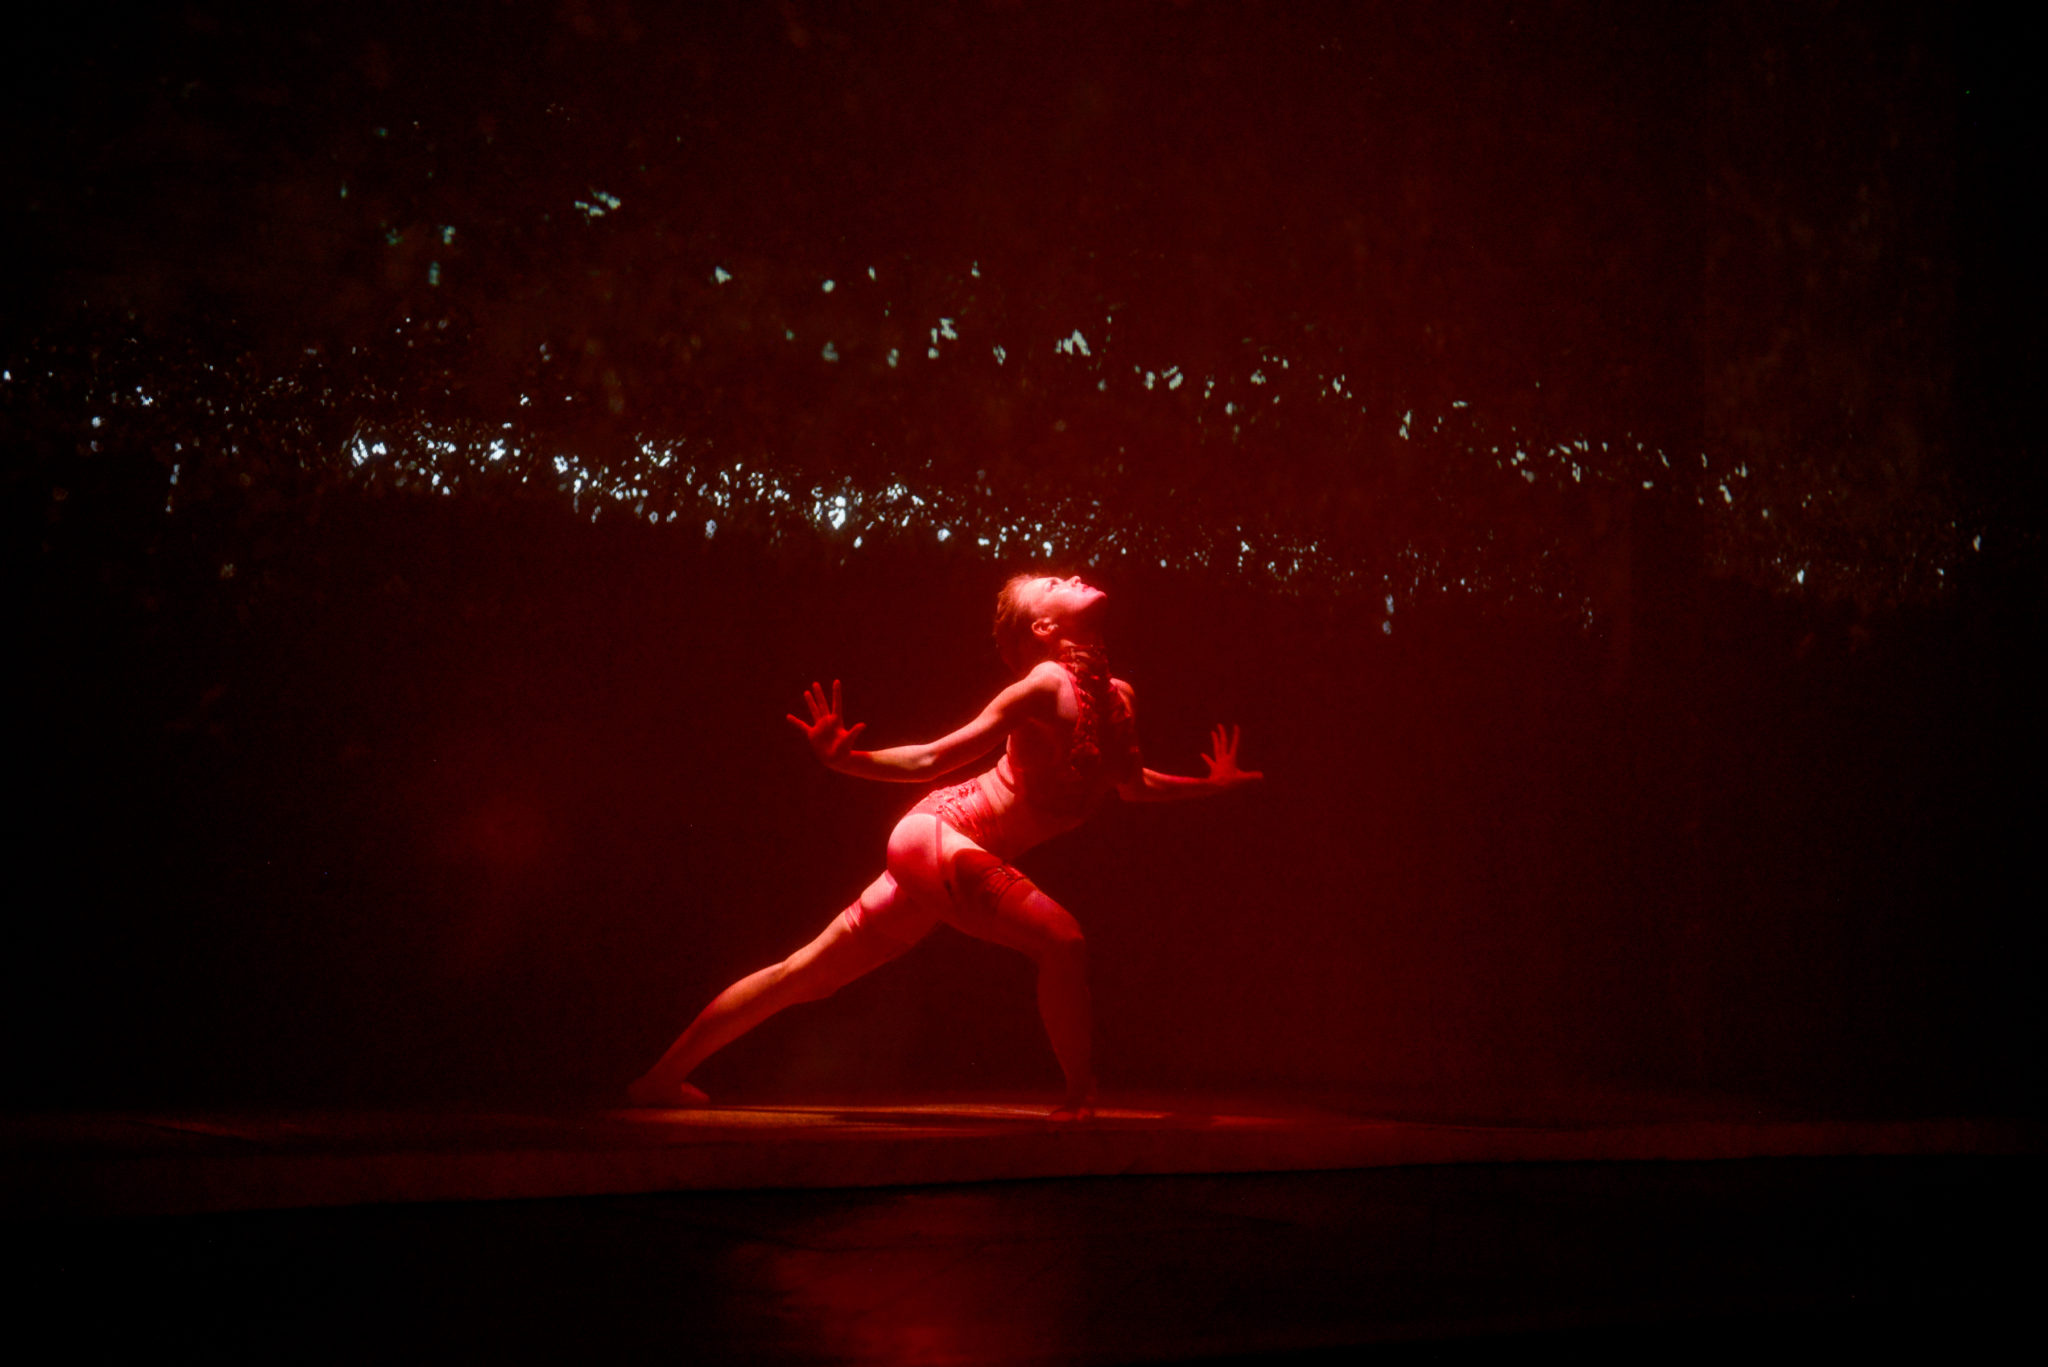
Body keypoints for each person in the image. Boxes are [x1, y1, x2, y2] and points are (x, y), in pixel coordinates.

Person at [627, 572, 1262, 1119]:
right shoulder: (1041, 686)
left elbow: (1133, 786)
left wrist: (1209, 786)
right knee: (1063, 940)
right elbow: (935, 756)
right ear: (1044, 627)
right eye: (1054, 582)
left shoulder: (1120, 697)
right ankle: (1079, 1096)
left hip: (950, 856)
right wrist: (848, 761)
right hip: (940, 833)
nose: (1072, 576)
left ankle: (658, 1081)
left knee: (806, 975)